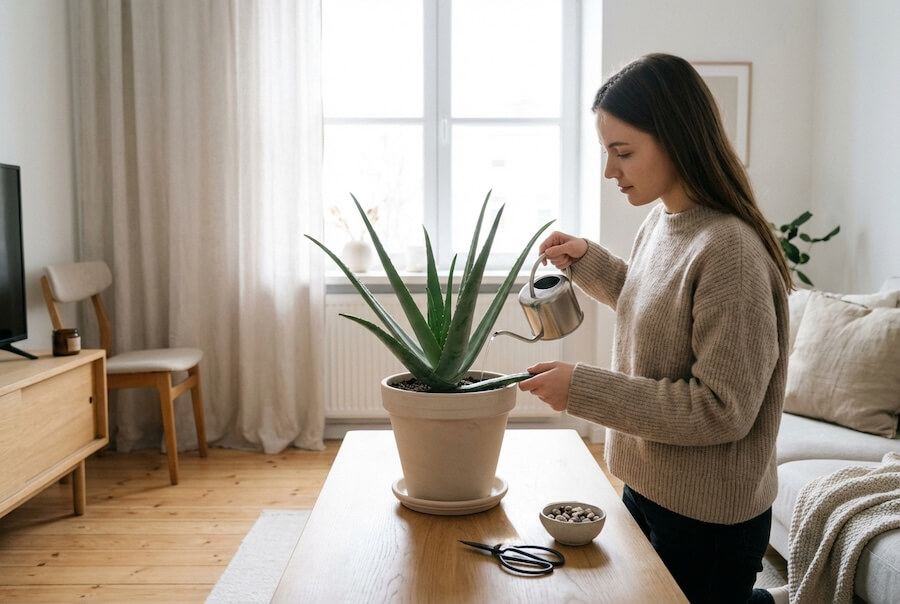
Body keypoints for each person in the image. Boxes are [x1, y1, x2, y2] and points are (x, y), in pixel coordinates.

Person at [519, 53, 792, 604]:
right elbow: (656, 306)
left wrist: (583, 389)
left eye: (623, 152)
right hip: (648, 484)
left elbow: (722, 409)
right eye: (606, 152)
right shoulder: (666, 219)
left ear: (677, 139)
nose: (609, 171)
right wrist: (588, 261)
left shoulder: (730, 251)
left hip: (708, 518)